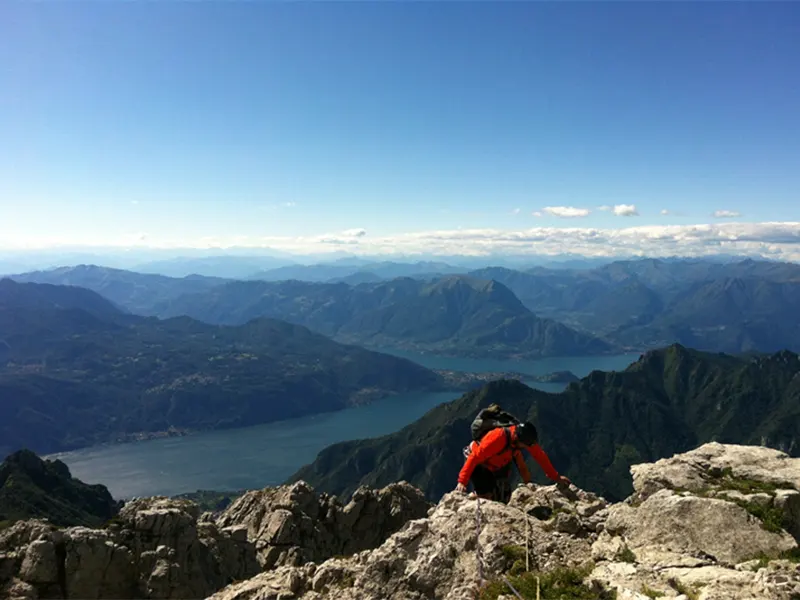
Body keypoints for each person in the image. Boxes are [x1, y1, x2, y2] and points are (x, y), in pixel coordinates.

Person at [455, 420, 570, 502]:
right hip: (479, 463)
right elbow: (474, 457)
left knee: (503, 497)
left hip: (497, 462)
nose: (526, 447)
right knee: (486, 497)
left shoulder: (524, 439)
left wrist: (556, 477)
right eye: (525, 445)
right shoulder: (498, 438)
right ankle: (475, 498)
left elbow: (540, 457)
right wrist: (462, 481)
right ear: (518, 440)